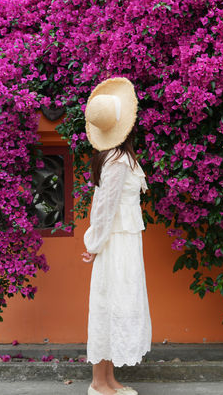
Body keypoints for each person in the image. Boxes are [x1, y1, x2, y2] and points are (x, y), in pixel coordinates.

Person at [81, 77, 151, 395]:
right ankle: (98, 382)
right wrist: (94, 244)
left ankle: (108, 381)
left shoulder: (118, 158)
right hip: (116, 243)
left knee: (115, 303)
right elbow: (104, 208)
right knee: (110, 304)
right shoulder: (118, 161)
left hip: (124, 240)